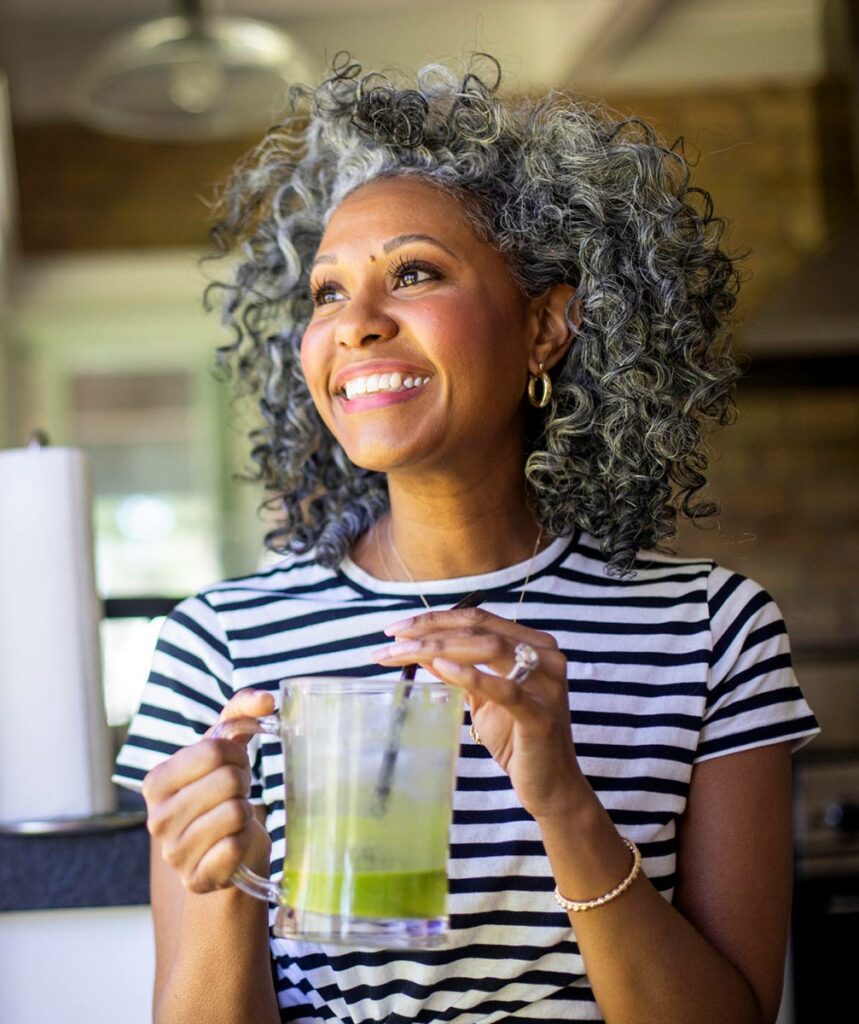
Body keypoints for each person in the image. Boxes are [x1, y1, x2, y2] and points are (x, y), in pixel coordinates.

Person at [114, 54, 821, 1024]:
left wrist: (564, 800)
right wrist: (228, 888)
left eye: (413, 272)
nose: (354, 325)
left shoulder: (710, 632)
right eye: (326, 292)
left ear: (545, 326)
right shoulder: (219, 645)